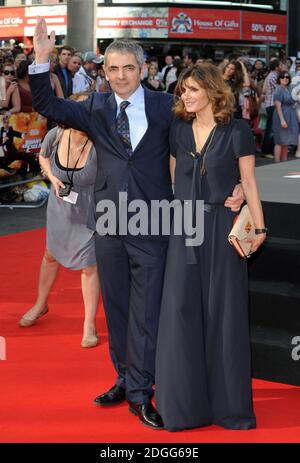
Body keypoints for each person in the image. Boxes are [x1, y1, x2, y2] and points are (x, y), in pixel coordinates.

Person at [28, 18, 244, 430]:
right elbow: (49, 107)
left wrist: (234, 180)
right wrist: (41, 60)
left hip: (153, 223)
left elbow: (207, 137)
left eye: (129, 68)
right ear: (103, 72)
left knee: (147, 311)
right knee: (119, 306)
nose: (121, 76)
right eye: (113, 68)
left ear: (142, 70)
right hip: (107, 224)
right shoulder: (95, 107)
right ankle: (125, 380)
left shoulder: (167, 106)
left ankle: (143, 393)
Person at [155, 64, 266, 432]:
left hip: (221, 230)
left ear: (212, 92)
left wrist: (259, 224)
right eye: (182, 90)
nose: (185, 96)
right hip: (184, 230)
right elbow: (173, 181)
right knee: (181, 314)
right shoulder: (178, 130)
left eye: (192, 90)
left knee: (224, 314)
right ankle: (185, 408)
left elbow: (249, 181)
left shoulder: (237, 132)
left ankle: (228, 407)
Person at [18, 93, 100, 348]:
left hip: (90, 211)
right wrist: (52, 178)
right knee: (50, 255)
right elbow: (43, 156)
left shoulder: (100, 142)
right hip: (59, 208)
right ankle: (41, 304)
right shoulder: (55, 135)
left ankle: (89, 323)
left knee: (90, 266)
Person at [272, 71, 298, 162]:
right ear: (279, 79)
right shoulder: (278, 89)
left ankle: (284, 162)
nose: (285, 79)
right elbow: (278, 106)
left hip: (290, 116)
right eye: (282, 77)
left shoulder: (289, 89)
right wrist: (282, 120)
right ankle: (277, 163)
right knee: (279, 141)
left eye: (287, 77)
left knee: (286, 142)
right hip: (281, 115)